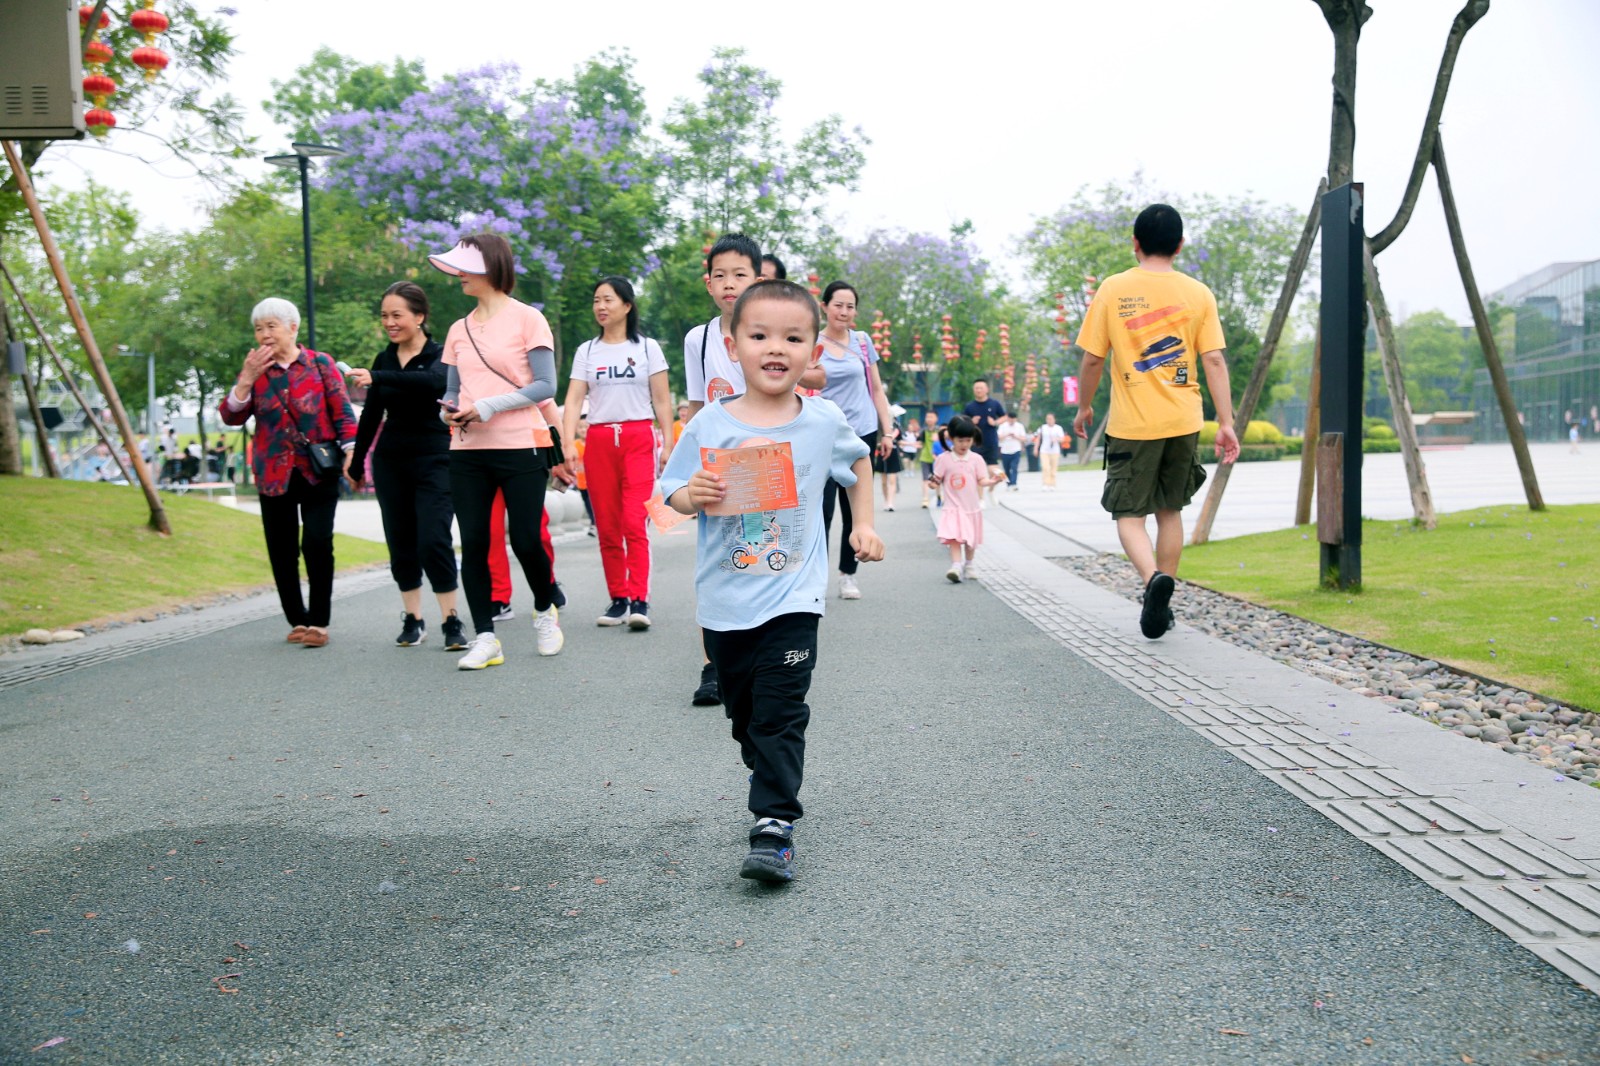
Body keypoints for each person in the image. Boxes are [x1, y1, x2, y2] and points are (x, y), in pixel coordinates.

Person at [659, 279, 882, 883]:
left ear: (814, 351)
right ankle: (767, 766)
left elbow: (858, 461)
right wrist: (691, 493)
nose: (775, 347)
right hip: (725, 601)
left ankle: (773, 826)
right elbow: (668, 494)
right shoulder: (711, 423)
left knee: (781, 713)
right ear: (735, 347)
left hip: (794, 597)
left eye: (792, 337)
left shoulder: (823, 419)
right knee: (745, 715)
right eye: (760, 336)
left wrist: (862, 524)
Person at [1073, 202, 1240, 640]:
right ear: (1180, 245)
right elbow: (1215, 360)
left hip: (1133, 425)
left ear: (1135, 244)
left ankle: (1152, 582)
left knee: (1129, 515)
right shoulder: (1198, 293)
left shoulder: (1112, 289)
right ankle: (1162, 604)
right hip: (1184, 421)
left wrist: (1084, 407)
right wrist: (1225, 421)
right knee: (1170, 509)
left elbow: (1092, 359)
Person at [429, 233, 565, 669]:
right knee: (473, 543)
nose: (459, 276)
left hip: (521, 445)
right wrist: (449, 414)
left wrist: (487, 406)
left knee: (526, 539)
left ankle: (545, 611)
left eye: (466, 268)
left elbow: (545, 386)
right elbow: (452, 393)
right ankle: (486, 636)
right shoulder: (457, 329)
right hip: (467, 450)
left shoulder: (529, 319)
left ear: (491, 268)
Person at [219, 297, 357, 648]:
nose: (264, 334)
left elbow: (342, 412)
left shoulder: (320, 364)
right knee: (281, 549)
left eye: (271, 326)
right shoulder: (254, 369)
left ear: (292, 328)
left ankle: (320, 622)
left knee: (317, 542)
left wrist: (351, 452)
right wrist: (246, 379)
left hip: (317, 470)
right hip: (273, 472)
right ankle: (297, 619)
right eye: (258, 328)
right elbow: (231, 416)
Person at [347, 281, 466, 652]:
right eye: (384, 316)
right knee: (401, 542)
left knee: (433, 538)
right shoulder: (384, 358)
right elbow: (371, 414)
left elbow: (432, 383)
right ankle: (413, 619)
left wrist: (376, 377)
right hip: (391, 461)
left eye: (397, 315)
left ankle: (451, 619)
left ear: (419, 316)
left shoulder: (440, 354)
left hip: (435, 457)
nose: (389, 322)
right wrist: (356, 461)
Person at [563, 275, 675, 628]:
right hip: (598, 441)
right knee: (608, 526)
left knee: (632, 521)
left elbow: (661, 399)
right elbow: (574, 399)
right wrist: (567, 442)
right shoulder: (587, 351)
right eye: (597, 300)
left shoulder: (646, 348)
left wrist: (668, 443)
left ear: (627, 305)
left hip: (638, 437)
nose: (601, 306)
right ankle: (618, 599)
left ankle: (639, 600)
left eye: (608, 299)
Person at [817, 281, 897, 600]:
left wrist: (887, 430)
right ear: (824, 306)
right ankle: (814, 577)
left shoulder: (862, 342)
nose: (844, 312)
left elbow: (876, 389)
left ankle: (848, 575)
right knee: (820, 510)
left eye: (850, 306)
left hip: (861, 435)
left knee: (854, 510)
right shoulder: (812, 341)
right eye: (838, 305)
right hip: (823, 436)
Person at [928, 415, 1002, 583]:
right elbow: (936, 478)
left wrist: (992, 481)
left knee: (970, 540)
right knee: (954, 537)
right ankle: (956, 565)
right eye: (960, 441)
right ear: (952, 438)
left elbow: (981, 480)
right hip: (952, 507)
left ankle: (969, 564)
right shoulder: (944, 459)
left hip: (971, 508)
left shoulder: (976, 459)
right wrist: (932, 484)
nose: (964, 445)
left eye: (968, 440)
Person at [963, 379, 1005, 503]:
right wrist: (971, 422)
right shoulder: (970, 406)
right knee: (978, 473)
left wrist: (996, 422)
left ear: (986, 389)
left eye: (981, 388)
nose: (979, 390)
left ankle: (991, 490)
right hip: (976, 443)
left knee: (997, 472)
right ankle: (980, 499)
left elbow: (1004, 416)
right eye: (976, 388)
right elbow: (963, 421)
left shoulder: (994, 404)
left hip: (991, 441)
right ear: (974, 390)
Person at [997, 409, 1029, 490]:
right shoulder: (1002, 426)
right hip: (1005, 450)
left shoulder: (1019, 426)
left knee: (1014, 467)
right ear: (1008, 418)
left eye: (1014, 419)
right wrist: (1007, 434)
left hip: (1016, 450)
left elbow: (1024, 438)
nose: (1012, 420)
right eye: (1010, 419)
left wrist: (1016, 437)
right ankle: (1008, 484)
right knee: (1006, 469)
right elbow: (999, 437)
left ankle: (1014, 484)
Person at [1034, 412, 1067, 488]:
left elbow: (1062, 439)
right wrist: (1036, 448)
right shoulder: (1042, 427)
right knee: (1045, 467)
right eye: (1047, 419)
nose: (1049, 420)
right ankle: (1045, 483)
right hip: (1044, 450)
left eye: (1050, 419)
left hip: (1055, 451)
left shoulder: (1058, 428)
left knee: (1053, 468)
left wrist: (1056, 439)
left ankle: (1052, 483)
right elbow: (1038, 439)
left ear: (1054, 419)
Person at [917, 410, 940, 507]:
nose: (929, 419)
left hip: (938, 458)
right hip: (925, 457)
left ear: (936, 419)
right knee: (925, 479)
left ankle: (939, 496)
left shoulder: (940, 431)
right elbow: (920, 443)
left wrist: (938, 438)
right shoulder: (923, 431)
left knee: (937, 479)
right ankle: (925, 499)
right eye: (927, 417)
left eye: (931, 417)